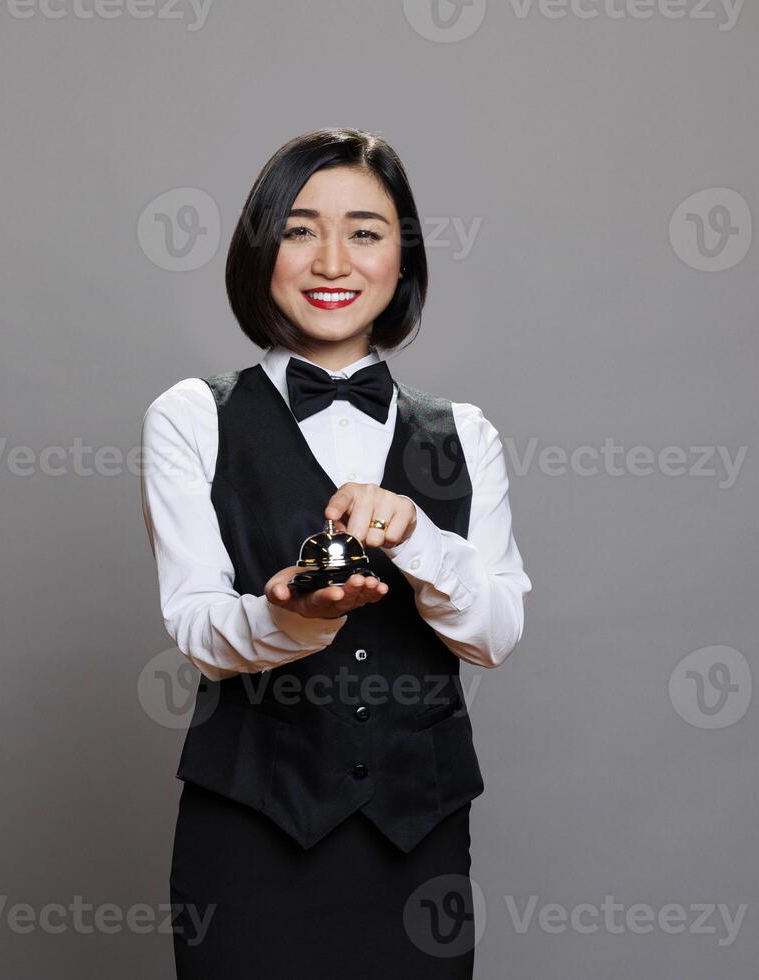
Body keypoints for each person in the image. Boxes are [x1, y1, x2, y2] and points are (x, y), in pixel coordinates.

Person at [139, 127, 532, 979]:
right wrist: (291, 617)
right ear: (260, 249)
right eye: (299, 228)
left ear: (403, 259)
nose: (331, 261)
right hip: (247, 839)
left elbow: (495, 634)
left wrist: (420, 538)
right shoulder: (192, 415)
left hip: (416, 847)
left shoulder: (463, 433)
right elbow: (197, 624)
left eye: (365, 231)